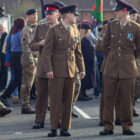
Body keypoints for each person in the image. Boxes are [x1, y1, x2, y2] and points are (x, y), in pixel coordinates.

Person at [96, 0, 140, 135]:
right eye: (115, 10)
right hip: (111, 66)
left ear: (125, 12)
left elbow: (138, 48)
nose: (115, 12)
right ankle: (108, 126)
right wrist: (112, 54)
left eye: (117, 10)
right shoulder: (110, 26)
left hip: (128, 67)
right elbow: (102, 45)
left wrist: (129, 56)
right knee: (108, 97)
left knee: (128, 98)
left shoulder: (136, 27)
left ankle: (127, 126)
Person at [42, 4, 85, 137]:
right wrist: (49, 69)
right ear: (67, 15)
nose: (76, 17)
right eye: (74, 14)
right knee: (55, 101)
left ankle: (65, 128)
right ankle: (54, 127)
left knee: (68, 101)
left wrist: (81, 69)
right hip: (57, 71)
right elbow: (46, 53)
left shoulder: (74, 30)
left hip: (71, 71)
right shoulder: (54, 31)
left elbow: (78, 52)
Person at [30, 3, 62, 129]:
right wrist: (40, 43)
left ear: (57, 15)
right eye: (47, 14)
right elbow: (31, 46)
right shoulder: (40, 27)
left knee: (57, 96)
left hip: (58, 66)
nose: (47, 16)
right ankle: (39, 120)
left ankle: (57, 119)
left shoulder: (63, 28)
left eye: (50, 14)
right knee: (41, 96)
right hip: (43, 67)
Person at [0, 17, 26, 107]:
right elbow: (24, 46)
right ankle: (4, 97)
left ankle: (6, 97)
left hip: (13, 57)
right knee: (16, 79)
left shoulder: (12, 34)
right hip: (18, 56)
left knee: (16, 78)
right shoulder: (20, 34)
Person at [20, 9, 38, 114]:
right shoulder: (26, 29)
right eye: (32, 15)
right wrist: (30, 61)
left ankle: (44, 104)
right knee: (27, 84)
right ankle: (25, 105)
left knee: (39, 84)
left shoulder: (37, 28)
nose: (35, 17)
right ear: (27, 16)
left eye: (36, 15)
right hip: (29, 60)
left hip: (38, 58)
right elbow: (25, 46)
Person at [78, 20, 97, 101]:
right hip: (87, 63)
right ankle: (81, 94)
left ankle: (83, 93)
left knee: (85, 80)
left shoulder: (83, 39)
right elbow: (88, 53)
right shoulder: (85, 40)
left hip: (86, 62)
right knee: (84, 80)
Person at [129, 7, 139, 117]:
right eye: (132, 15)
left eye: (135, 16)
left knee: (137, 86)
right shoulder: (125, 27)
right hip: (130, 60)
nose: (134, 18)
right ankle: (127, 107)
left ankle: (132, 105)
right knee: (131, 84)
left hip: (137, 60)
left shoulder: (137, 28)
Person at [0, 24, 8, 91]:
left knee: (4, 70)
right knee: (2, 70)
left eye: (1, 27)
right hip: (2, 55)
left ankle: (3, 85)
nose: (0, 28)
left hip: (4, 55)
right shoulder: (1, 35)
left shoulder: (5, 34)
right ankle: (2, 84)